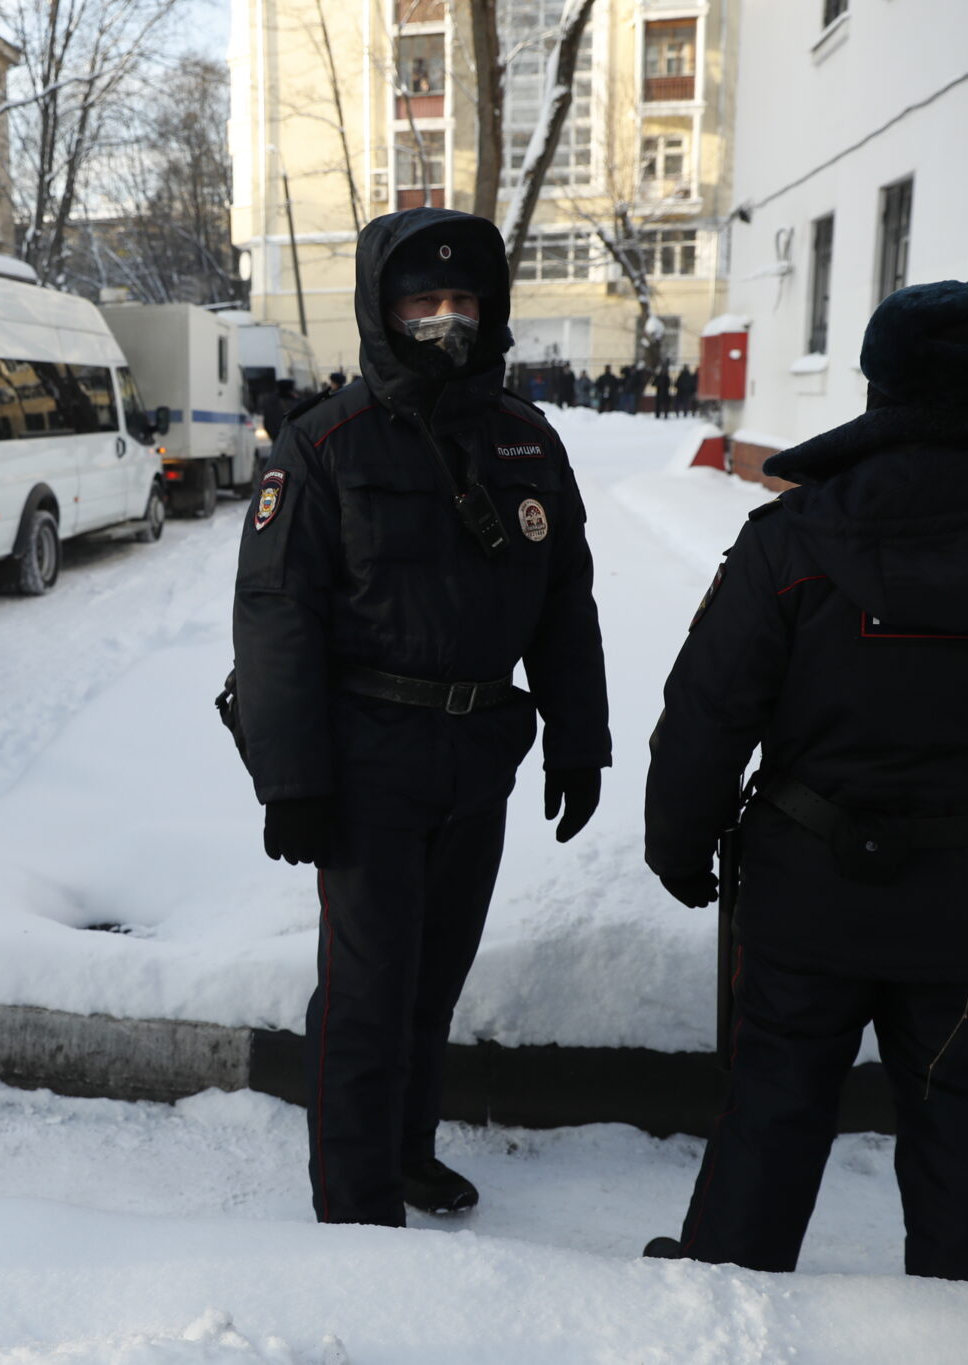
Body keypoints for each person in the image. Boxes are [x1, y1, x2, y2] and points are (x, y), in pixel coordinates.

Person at [641, 280, 968, 1282]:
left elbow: (708, 710)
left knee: (775, 1097)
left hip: (809, 883)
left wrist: (677, 845)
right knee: (965, 1105)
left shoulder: (794, 536)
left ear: (877, 382)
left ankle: (723, 1294)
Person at [233, 207, 611, 1227]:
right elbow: (276, 621)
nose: (443, 318)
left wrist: (579, 741)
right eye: (420, 300)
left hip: (478, 754)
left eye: (461, 300)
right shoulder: (323, 448)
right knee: (364, 996)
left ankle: (403, 1152)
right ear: (381, 311)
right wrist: (291, 780)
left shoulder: (526, 445)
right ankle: (354, 1208)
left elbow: (562, 604)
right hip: (366, 765)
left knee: (431, 984)